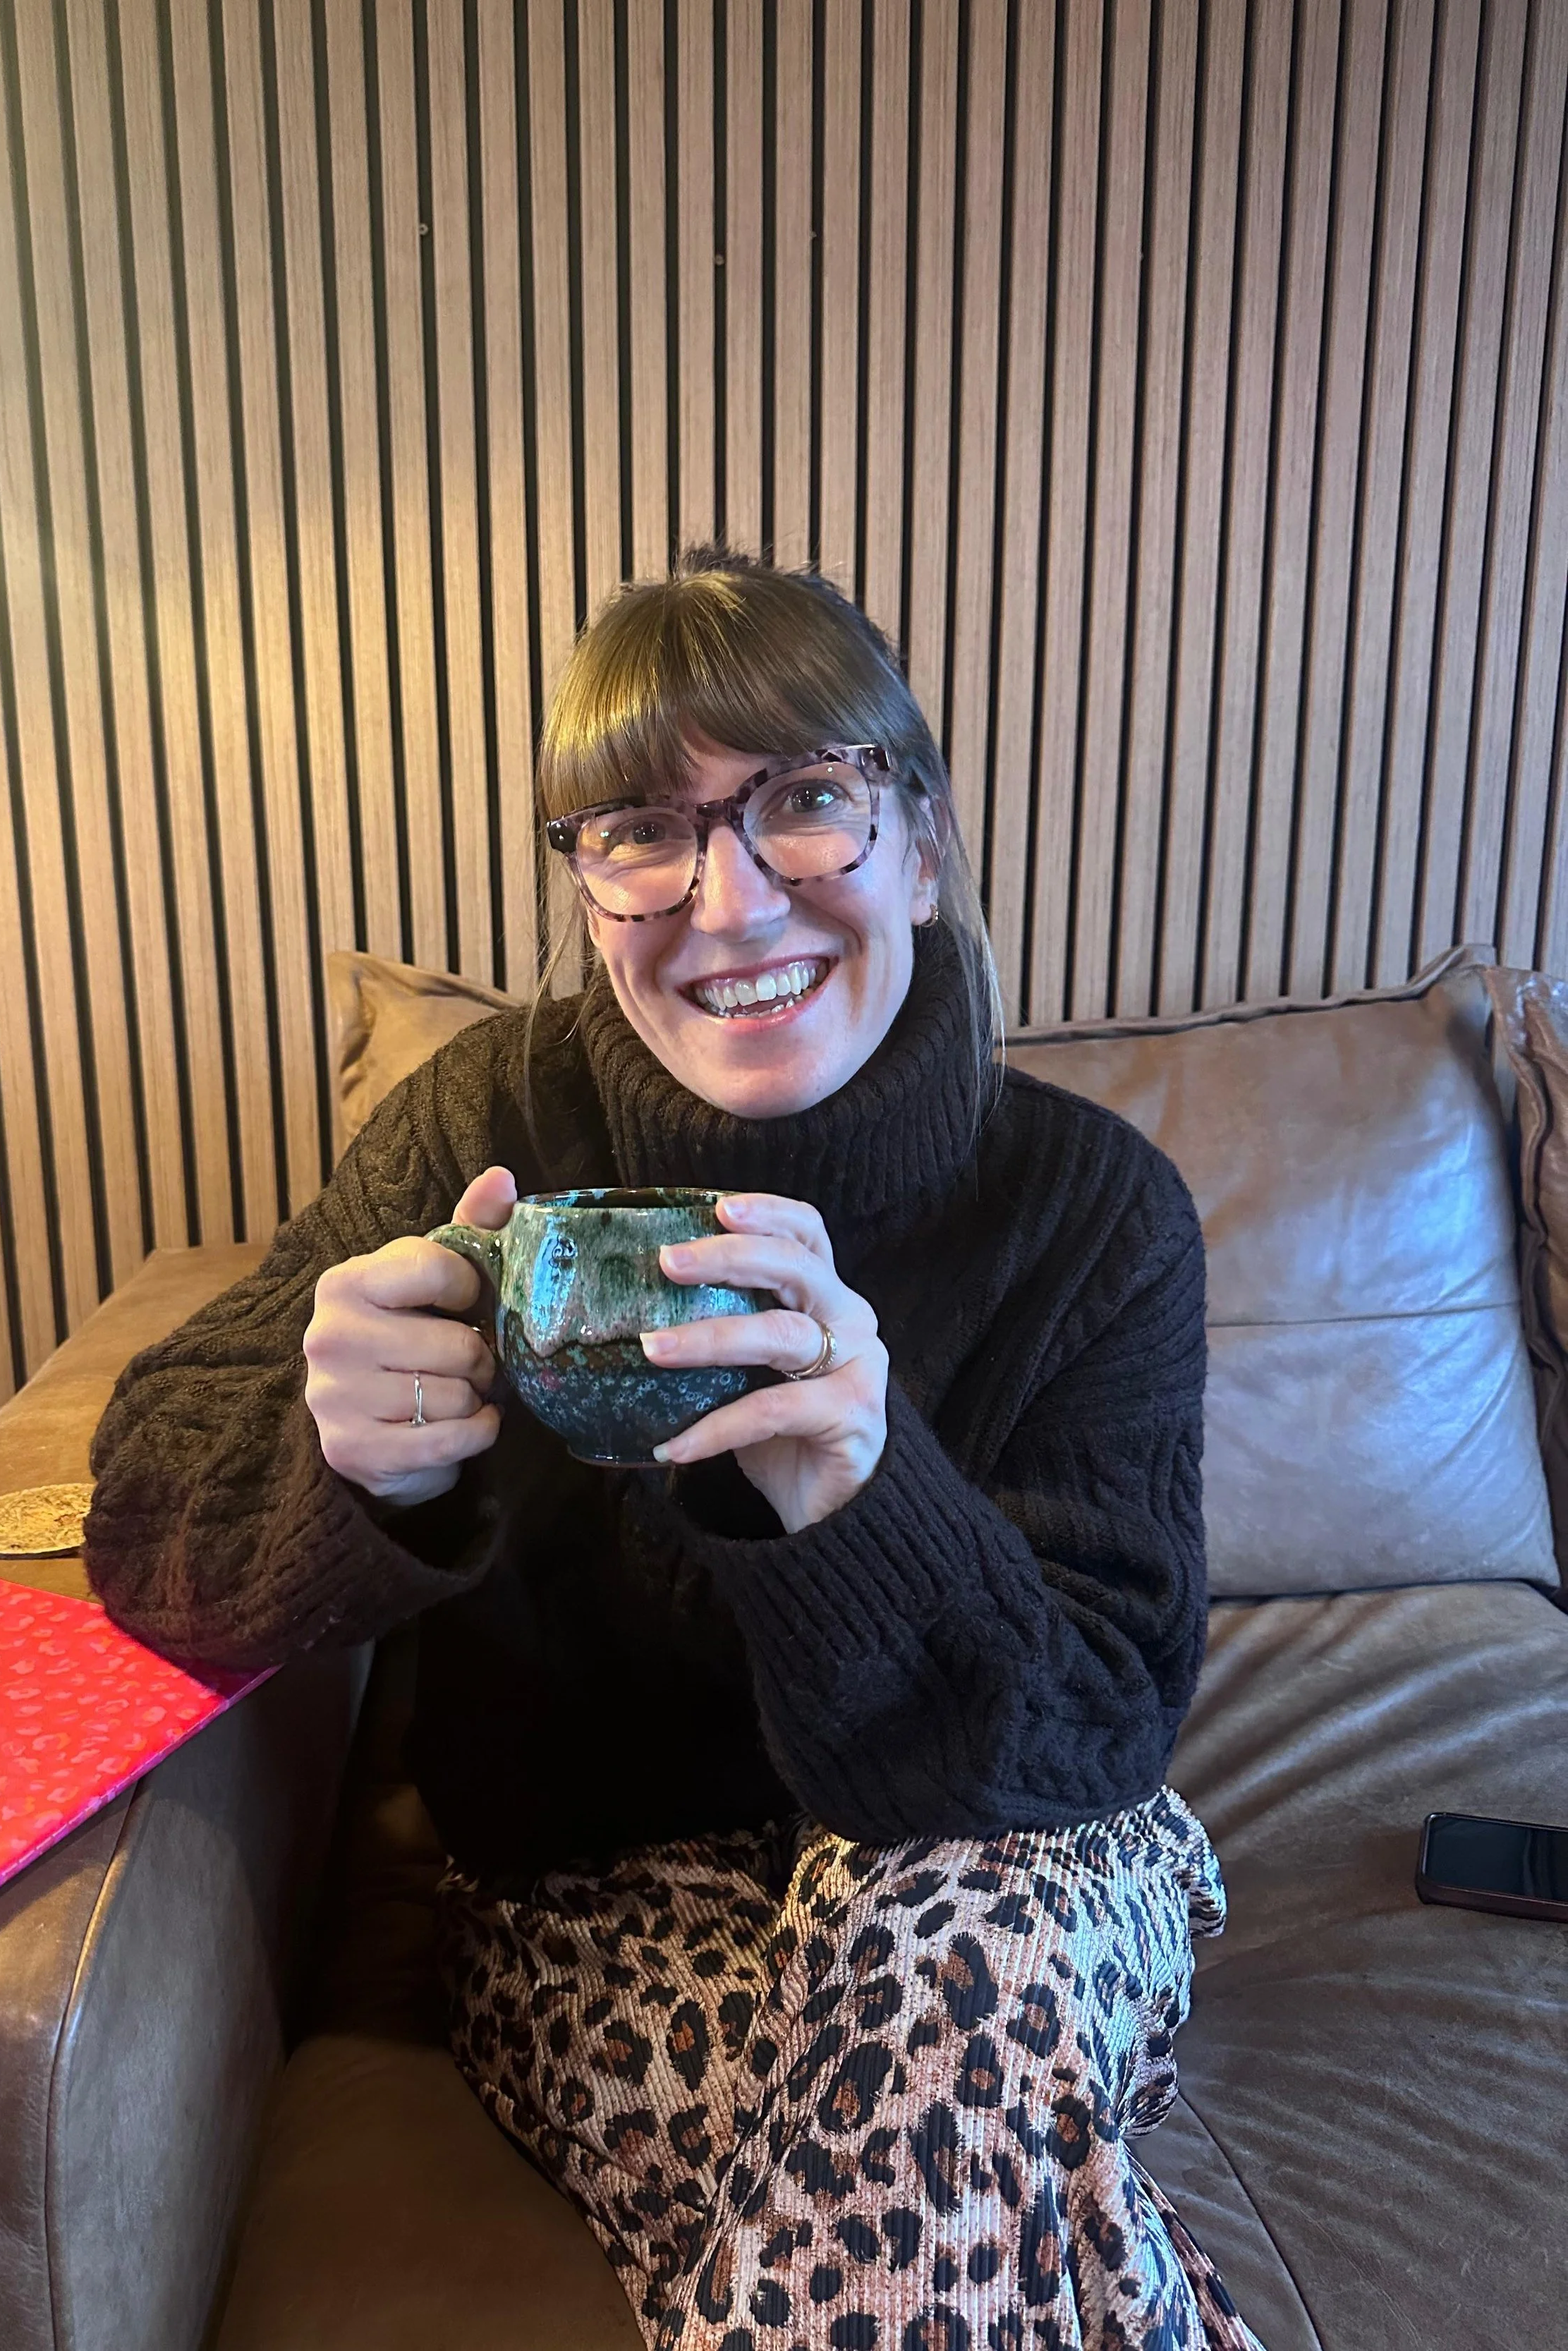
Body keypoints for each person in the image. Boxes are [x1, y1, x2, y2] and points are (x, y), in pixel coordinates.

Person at [85, 552, 1262, 2351]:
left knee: (963, 1948)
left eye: (803, 802)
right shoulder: (490, 1127)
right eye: (643, 828)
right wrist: (341, 1456)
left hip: (1015, 1863)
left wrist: (865, 1503)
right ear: (586, 884)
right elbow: (151, 1509)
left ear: (924, 845)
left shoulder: (1091, 1215)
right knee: (976, 2185)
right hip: (601, 1902)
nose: (724, 901)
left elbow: (1092, 1728)